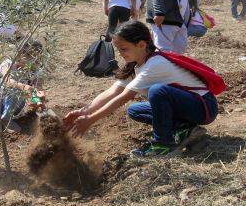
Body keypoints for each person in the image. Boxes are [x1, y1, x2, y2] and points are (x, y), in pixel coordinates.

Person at [63, 20, 219, 156]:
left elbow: (123, 97)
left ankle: (163, 145)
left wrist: (90, 120)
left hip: (204, 107)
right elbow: (112, 92)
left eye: (124, 49)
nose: (120, 54)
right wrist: (85, 112)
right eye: (119, 50)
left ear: (142, 45)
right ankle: (185, 129)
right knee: (135, 110)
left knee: (157, 91)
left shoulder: (154, 65)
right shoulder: (137, 65)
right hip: (190, 106)